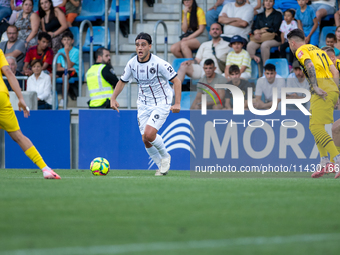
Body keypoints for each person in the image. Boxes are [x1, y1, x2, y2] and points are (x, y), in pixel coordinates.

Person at [111, 33, 182, 176]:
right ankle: (160, 165)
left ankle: (165, 157)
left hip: (161, 102)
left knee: (149, 134)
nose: (140, 48)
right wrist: (113, 98)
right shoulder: (132, 63)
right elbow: (122, 81)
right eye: (137, 45)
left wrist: (177, 103)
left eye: (143, 45)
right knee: (145, 139)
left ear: (150, 46)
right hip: (143, 104)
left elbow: (177, 81)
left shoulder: (159, 64)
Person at [287, 28, 340, 179]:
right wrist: (335, 92)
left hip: (321, 89)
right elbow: (335, 71)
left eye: (290, 45)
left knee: (315, 127)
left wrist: (315, 86)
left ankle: (337, 159)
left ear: (292, 43)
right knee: (321, 126)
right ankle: (325, 162)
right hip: (331, 89)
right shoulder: (319, 50)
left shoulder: (301, 51)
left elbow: (309, 65)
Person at [0, 49, 60, 179]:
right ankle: (46, 169)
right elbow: (9, 72)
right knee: (18, 136)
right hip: (2, 97)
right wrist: (21, 98)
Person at [247, 0, 282, 66]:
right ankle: (252, 68)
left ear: (273, 3)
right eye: (266, 1)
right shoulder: (260, 15)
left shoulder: (278, 14)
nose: (268, 3)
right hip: (260, 38)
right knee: (250, 45)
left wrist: (261, 31)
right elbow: (255, 28)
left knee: (264, 45)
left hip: (274, 38)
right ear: (264, 3)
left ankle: (265, 68)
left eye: (270, 1)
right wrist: (256, 33)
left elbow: (275, 28)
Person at [56, 30, 79, 107]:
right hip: (66, 70)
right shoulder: (60, 51)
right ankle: (51, 96)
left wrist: (66, 52)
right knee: (51, 75)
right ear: (62, 41)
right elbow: (58, 68)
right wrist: (67, 69)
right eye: (64, 39)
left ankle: (63, 98)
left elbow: (69, 65)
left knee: (65, 76)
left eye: (68, 39)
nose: (66, 42)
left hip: (74, 72)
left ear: (72, 41)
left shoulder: (76, 51)